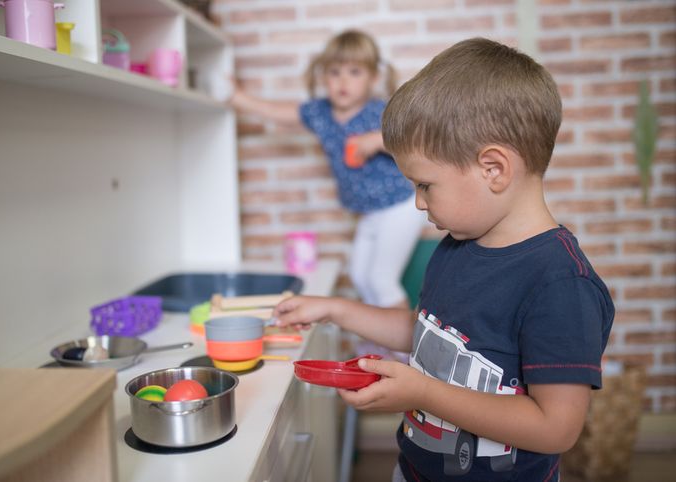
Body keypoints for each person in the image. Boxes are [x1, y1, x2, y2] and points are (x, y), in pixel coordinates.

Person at [273, 37, 615, 482]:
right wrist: (336, 310)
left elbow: (556, 429)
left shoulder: (560, 284)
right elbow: (427, 333)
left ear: (493, 169)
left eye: (425, 185)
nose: (417, 202)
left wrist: (423, 393)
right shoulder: (455, 247)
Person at [230, 29, 424, 310]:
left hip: (400, 206)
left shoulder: (379, 112)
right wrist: (238, 98)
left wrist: (378, 140)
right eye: (335, 72)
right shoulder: (320, 113)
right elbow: (279, 113)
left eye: (354, 72)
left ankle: (402, 347)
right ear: (323, 77)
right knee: (360, 276)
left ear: (373, 78)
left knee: (382, 280)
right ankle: (378, 340)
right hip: (371, 212)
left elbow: (415, 140)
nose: (343, 81)